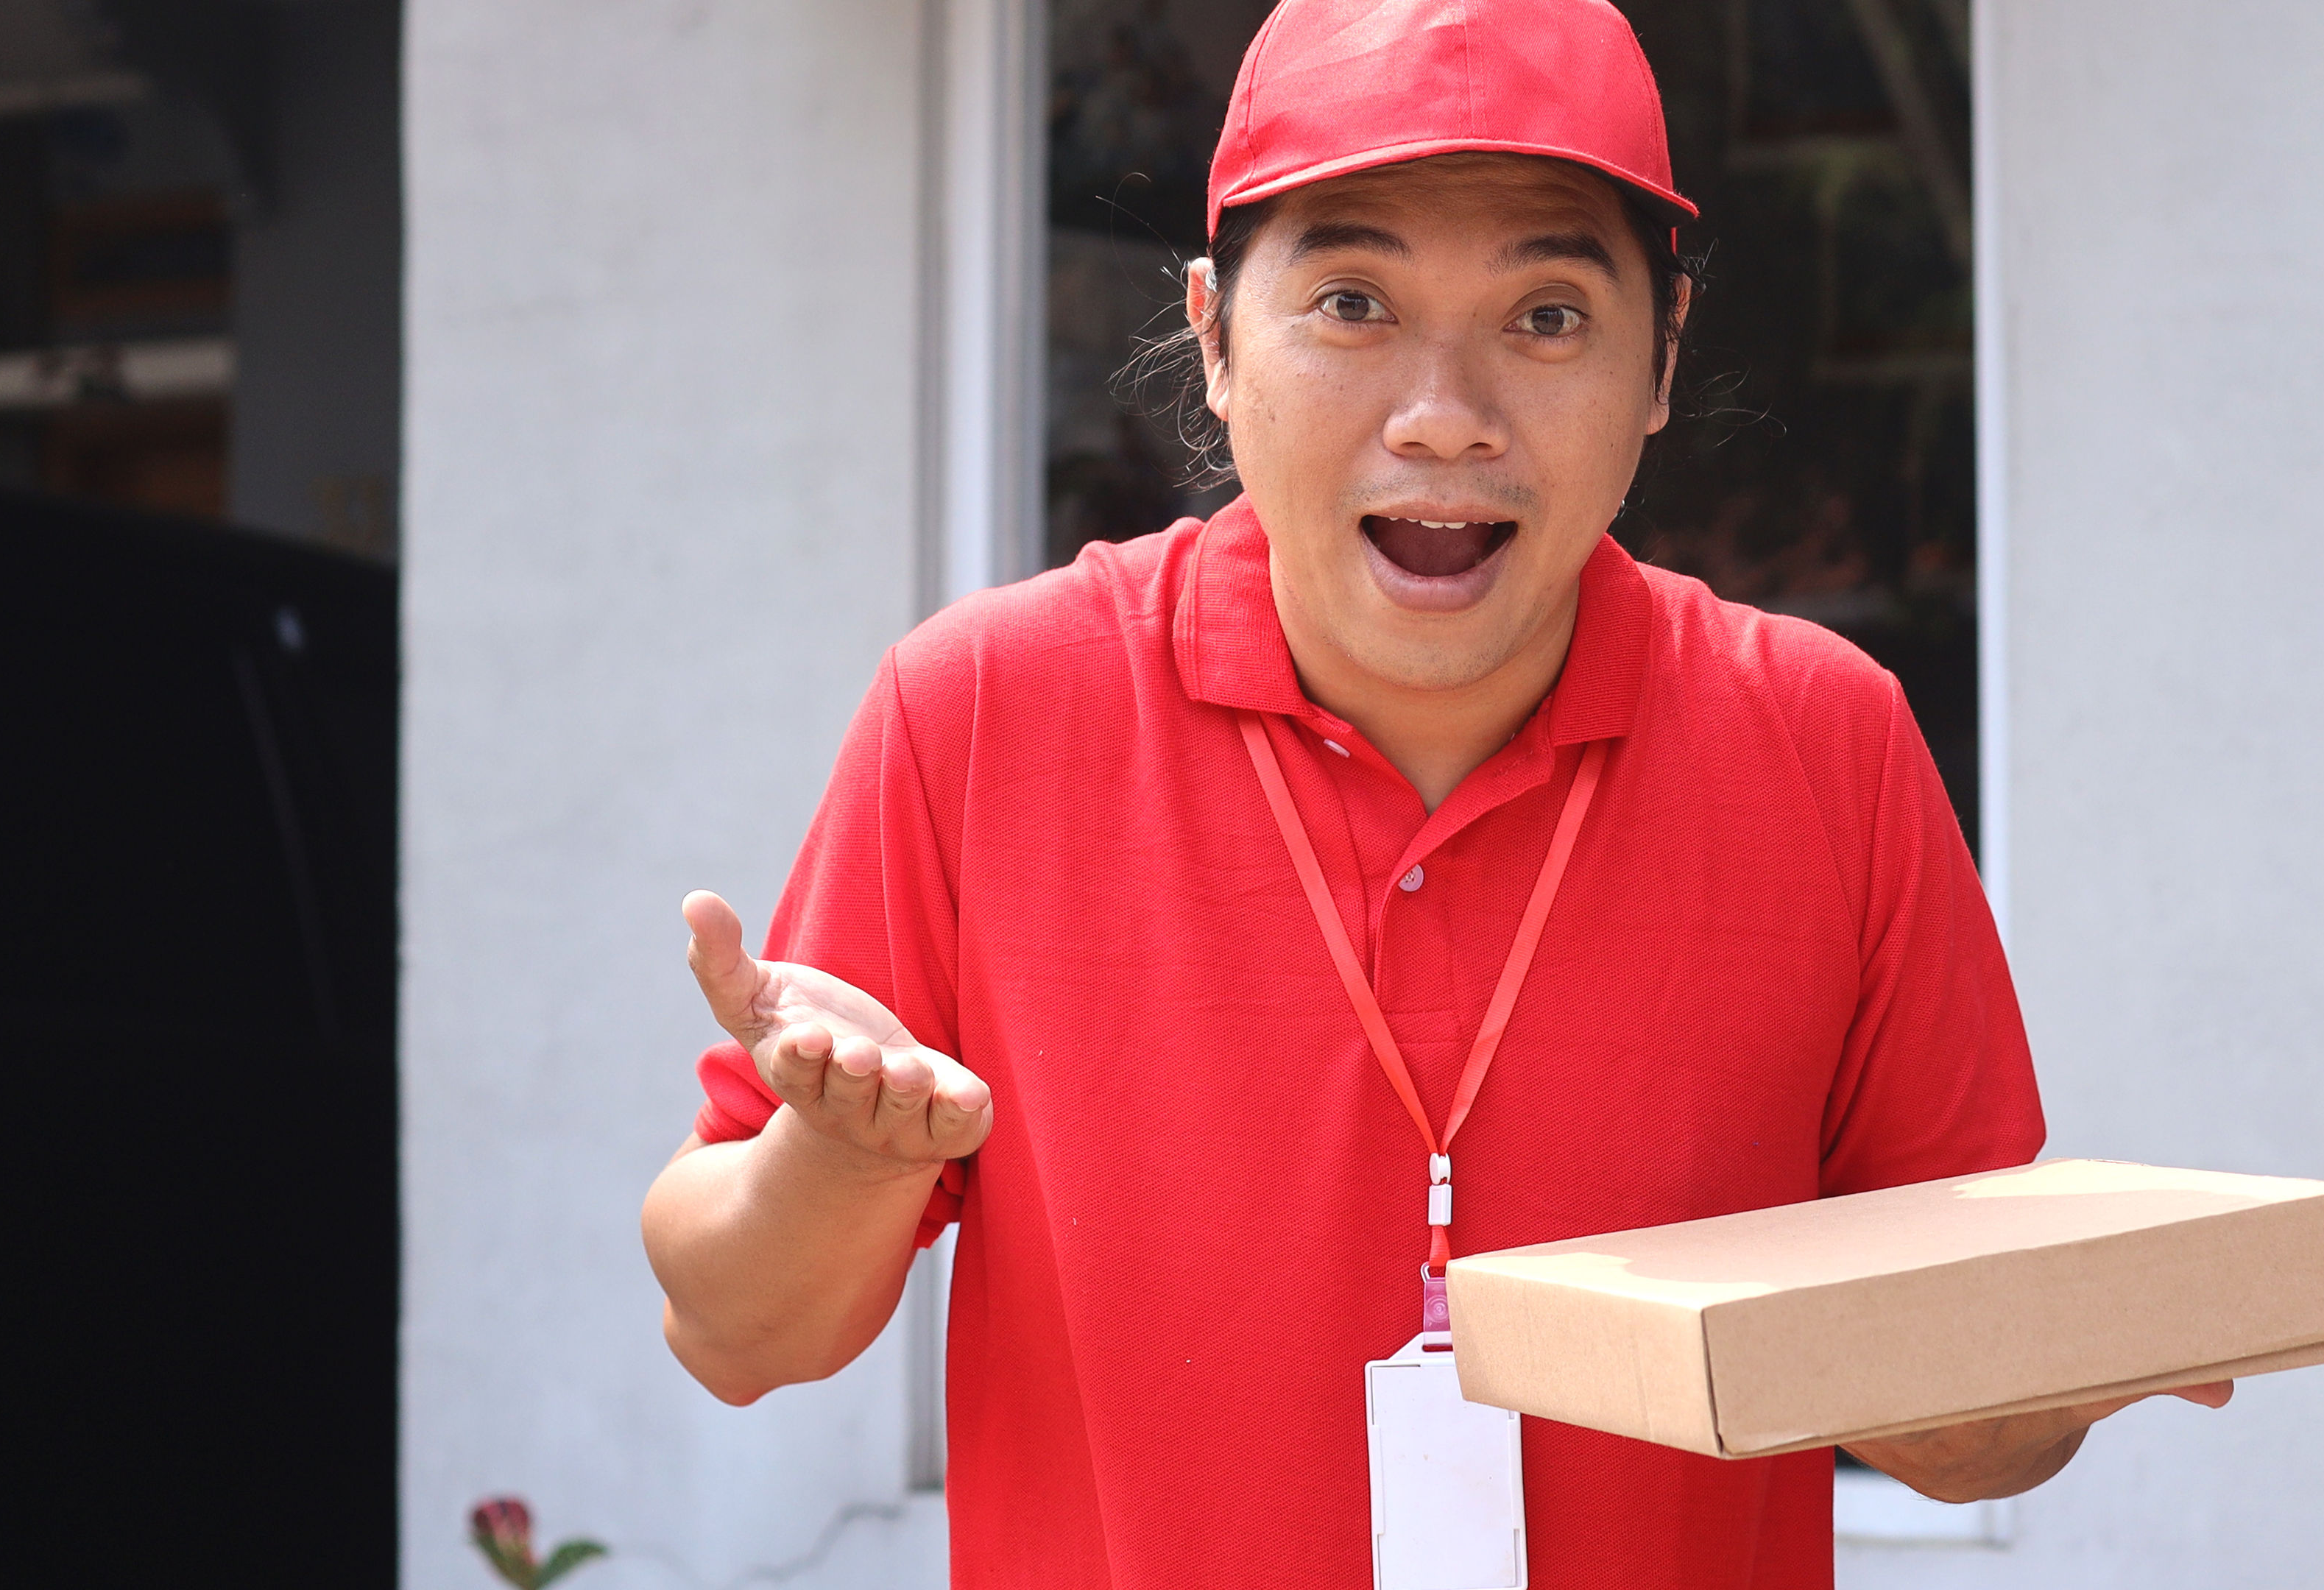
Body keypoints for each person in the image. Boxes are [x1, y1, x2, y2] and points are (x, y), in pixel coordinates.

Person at [640, 2, 2227, 1583]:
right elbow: (733, 1330)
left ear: (1663, 357)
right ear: (1212, 338)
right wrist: (846, 1159)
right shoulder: (985, 713)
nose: (1445, 413)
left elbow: (1967, 1442)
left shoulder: (1823, 742)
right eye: (1351, 303)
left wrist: (2058, 1352)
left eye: (1547, 316)